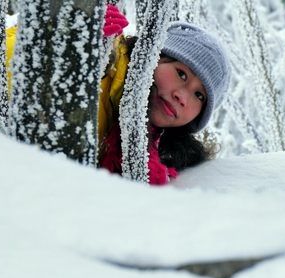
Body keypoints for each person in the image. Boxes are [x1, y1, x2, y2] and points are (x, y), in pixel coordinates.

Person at [98, 7, 232, 185]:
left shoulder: (168, 162)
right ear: (154, 57)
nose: (182, 97)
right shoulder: (105, 63)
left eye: (199, 95)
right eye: (181, 74)